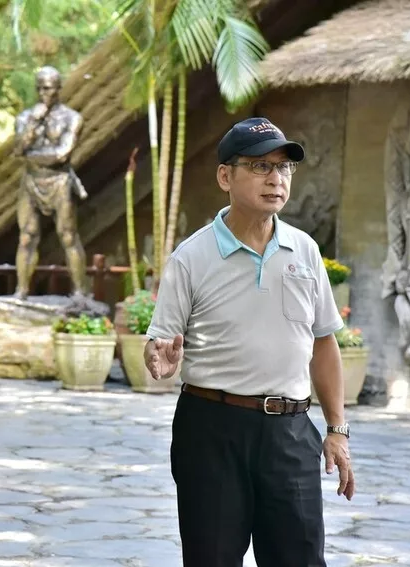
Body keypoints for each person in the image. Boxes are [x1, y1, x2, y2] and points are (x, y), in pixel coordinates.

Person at [144, 117, 355, 567]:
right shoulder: (191, 257)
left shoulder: (305, 251)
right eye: (260, 166)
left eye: (284, 168)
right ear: (226, 176)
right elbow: (160, 343)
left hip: (290, 431)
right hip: (212, 430)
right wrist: (159, 360)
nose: (276, 179)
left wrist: (336, 430)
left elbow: (323, 343)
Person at [13, 66, 88, 299]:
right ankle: (21, 290)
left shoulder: (72, 118)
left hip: (60, 180)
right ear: (37, 89)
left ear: (59, 88)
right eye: (43, 88)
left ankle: (79, 291)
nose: (47, 93)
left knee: (68, 235)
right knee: (27, 236)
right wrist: (34, 124)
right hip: (32, 181)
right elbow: (18, 150)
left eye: (52, 88)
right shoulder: (25, 118)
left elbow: (62, 154)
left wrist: (32, 156)